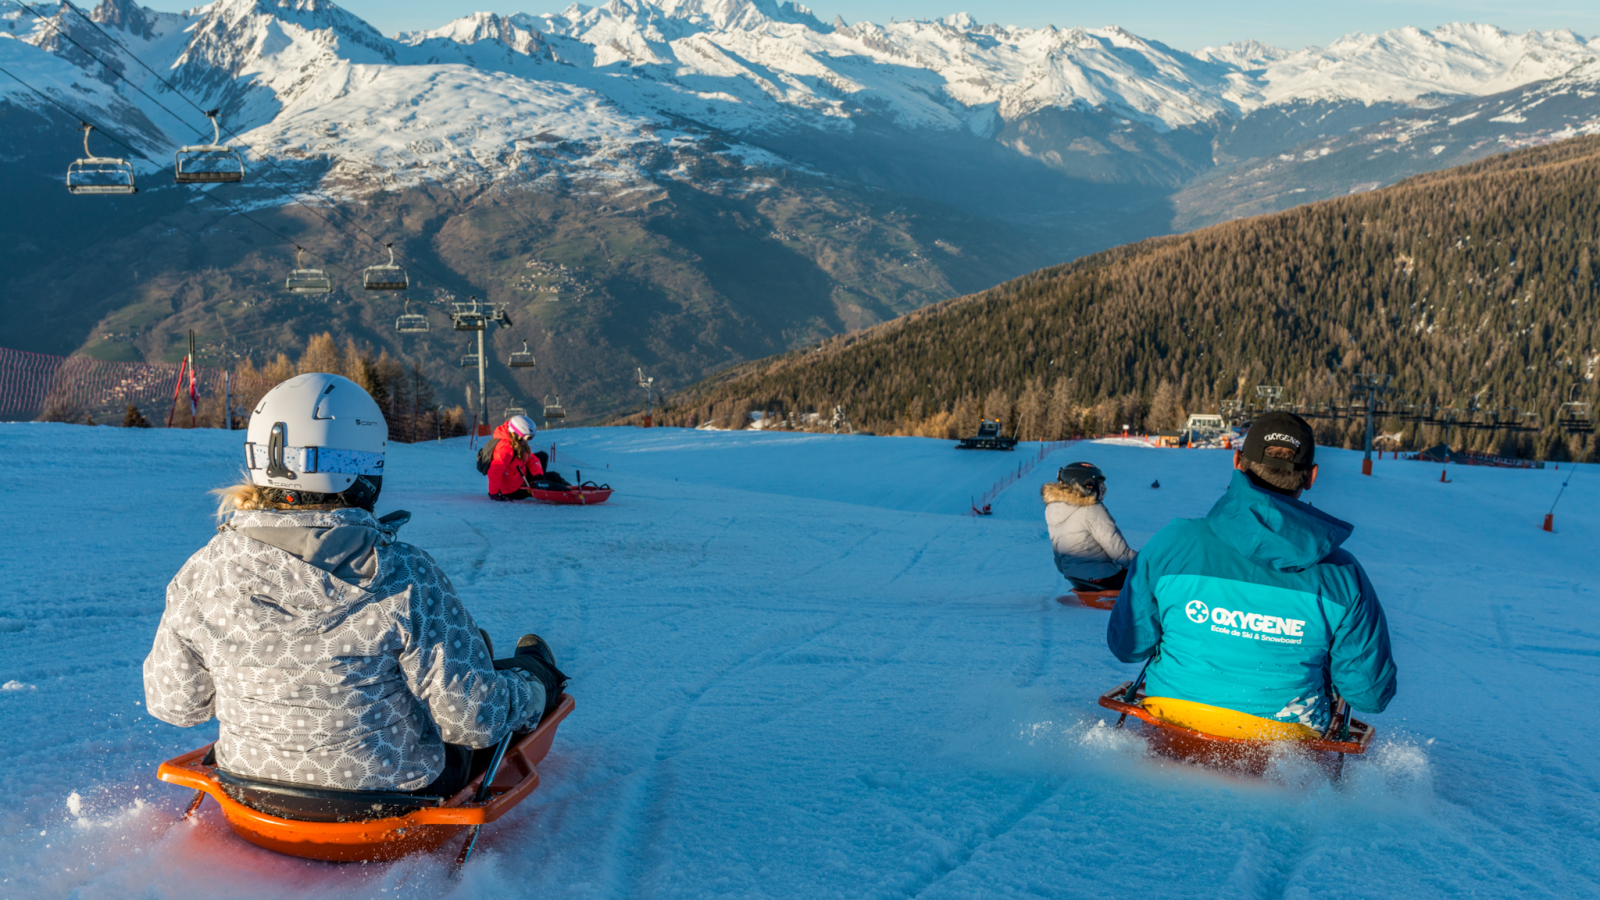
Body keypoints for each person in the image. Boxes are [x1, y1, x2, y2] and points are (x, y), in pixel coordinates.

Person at [143, 373, 569, 799]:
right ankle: (535, 671)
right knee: (502, 678)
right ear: (363, 468)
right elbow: (474, 720)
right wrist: (530, 690)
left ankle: (482, 661)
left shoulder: (202, 572)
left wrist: (269, 687)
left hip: (249, 789)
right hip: (393, 798)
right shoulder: (403, 574)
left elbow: (176, 703)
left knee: (454, 658)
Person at [1107, 411, 1397, 740]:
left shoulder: (1172, 543)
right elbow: (1369, 695)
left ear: (1237, 461)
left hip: (1175, 715)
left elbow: (1128, 646)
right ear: (1310, 476)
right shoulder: (1343, 576)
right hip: (1285, 738)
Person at [1043, 461, 1137, 592]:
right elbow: (1120, 554)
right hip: (1103, 578)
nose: (1101, 489)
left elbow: (1059, 559)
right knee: (1148, 576)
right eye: (1098, 485)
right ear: (1085, 486)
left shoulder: (1056, 509)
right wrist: (1146, 562)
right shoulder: (1091, 509)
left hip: (1078, 580)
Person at [487, 414, 545, 501]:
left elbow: (531, 459)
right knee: (552, 478)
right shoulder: (505, 449)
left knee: (543, 457)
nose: (527, 441)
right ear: (517, 435)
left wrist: (537, 475)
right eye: (528, 437)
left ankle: (568, 490)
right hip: (512, 490)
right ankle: (566, 493)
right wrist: (494, 493)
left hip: (519, 479)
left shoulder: (520, 444)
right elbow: (495, 471)